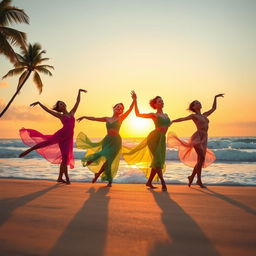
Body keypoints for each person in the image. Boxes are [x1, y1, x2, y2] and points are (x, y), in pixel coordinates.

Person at [19, 89, 87, 184]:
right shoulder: (60, 116)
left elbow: (77, 102)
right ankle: (29, 150)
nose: (62, 105)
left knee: (65, 158)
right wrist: (39, 103)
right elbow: (48, 111)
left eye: (63, 103)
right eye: (60, 105)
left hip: (68, 138)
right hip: (61, 135)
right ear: (59, 108)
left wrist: (79, 92)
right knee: (46, 142)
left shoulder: (72, 113)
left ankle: (60, 178)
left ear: (65, 105)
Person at [76, 91, 136, 187]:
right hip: (107, 140)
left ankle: (99, 175)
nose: (119, 109)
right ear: (114, 108)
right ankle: (104, 177)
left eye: (121, 109)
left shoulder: (121, 118)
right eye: (117, 107)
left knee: (109, 160)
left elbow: (130, 109)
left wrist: (134, 100)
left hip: (116, 142)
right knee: (105, 156)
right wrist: (84, 117)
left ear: (121, 111)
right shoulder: (107, 118)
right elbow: (95, 118)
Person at [168, 94, 224, 188]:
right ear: (194, 107)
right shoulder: (194, 116)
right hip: (197, 137)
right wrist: (173, 121)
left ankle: (191, 177)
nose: (199, 103)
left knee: (200, 160)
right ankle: (198, 180)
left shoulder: (205, 114)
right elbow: (183, 118)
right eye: (196, 103)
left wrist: (215, 97)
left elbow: (213, 108)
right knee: (201, 157)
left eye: (199, 102)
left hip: (204, 138)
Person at [123, 91, 170, 191]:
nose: (162, 102)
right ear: (155, 104)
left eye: (162, 101)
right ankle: (163, 182)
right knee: (157, 160)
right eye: (159, 101)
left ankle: (149, 182)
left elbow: (167, 125)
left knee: (158, 161)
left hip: (162, 139)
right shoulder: (154, 115)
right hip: (154, 138)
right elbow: (138, 114)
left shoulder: (166, 115)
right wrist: (135, 100)